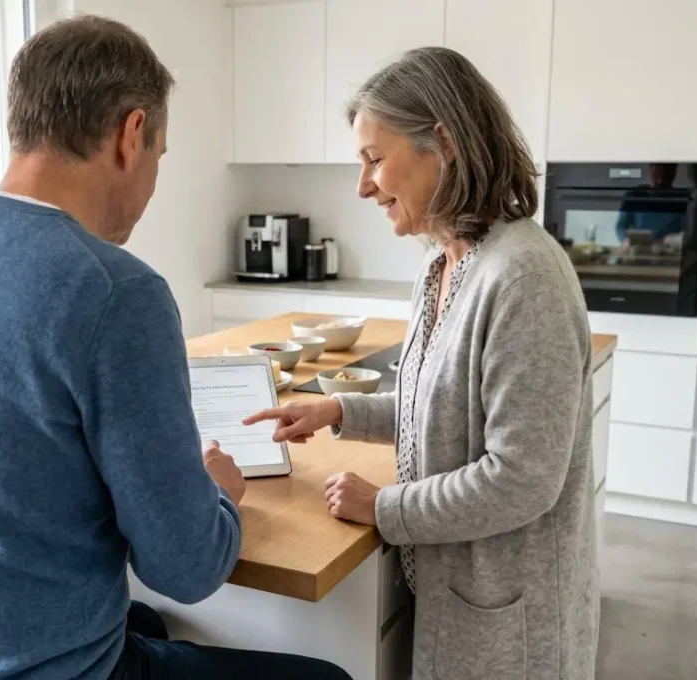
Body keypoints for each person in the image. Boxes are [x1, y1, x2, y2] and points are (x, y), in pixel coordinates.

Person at [0, 15, 349, 680]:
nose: (153, 182)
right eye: (160, 156)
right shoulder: (116, 291)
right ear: (132, 135)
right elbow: (187, 567)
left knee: (145, 622)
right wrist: (218, 495)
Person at [245, 47, 599, 680]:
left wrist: (385, 507)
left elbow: (521, 479)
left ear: (444, 143)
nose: (362, 186)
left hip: (509, 623)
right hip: (460, 596)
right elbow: (442, 408)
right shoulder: (442, 265)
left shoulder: (524, 277)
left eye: (374, 159)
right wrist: (339, 410)